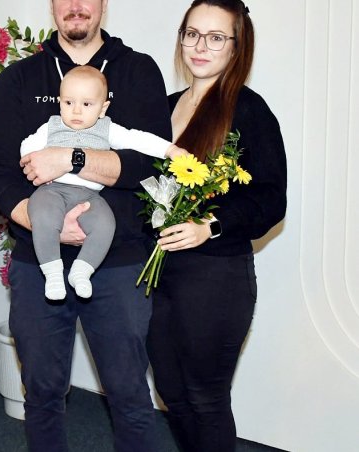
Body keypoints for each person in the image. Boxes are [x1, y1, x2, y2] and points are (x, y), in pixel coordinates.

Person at [0, 0, 171, 450]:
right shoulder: (19, 79)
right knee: (42, 393)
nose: (76, 5)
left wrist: (73, 158)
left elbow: (153, 165)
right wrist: (41, 222)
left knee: (129, 392)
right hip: (38, 260)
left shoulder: (139, 71)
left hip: (119, 261)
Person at [146, 2, 287, 451]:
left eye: (215, 37)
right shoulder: (163, 108)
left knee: (205, 399)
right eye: (192, 34)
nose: (200, 46)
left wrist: (211, 225)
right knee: (171, 393)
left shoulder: (249, 110)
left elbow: (271, 199)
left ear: (236, 47)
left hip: (216, 276)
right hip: (159, 274)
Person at [22, 65, 187, 300]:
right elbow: (27, 145)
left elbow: (137, 139)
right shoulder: (51, 126)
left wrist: (170, 150)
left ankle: (82, 271)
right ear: (59, 103)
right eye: (68, 102)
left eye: (86, 104)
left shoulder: (107, 129)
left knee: (105, 224)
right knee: (43, 217)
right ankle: (53, 274)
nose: (76, 110)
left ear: (103, 108)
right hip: (52, 191)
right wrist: (31, 160)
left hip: (89, 196)